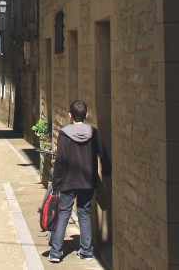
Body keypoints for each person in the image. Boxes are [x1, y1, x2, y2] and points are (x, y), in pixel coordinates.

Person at [48, 100, 111, 263]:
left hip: (68, 181)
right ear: (86, 115)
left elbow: (60, 160)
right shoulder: (93, 133)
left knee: (64, 214)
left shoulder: (64, 134)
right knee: (84, 214)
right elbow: (103, 154)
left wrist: (56, 184)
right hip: (88, 181)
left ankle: (55, 252)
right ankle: (86, 251)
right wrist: (106, 175)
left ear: (70, 115)